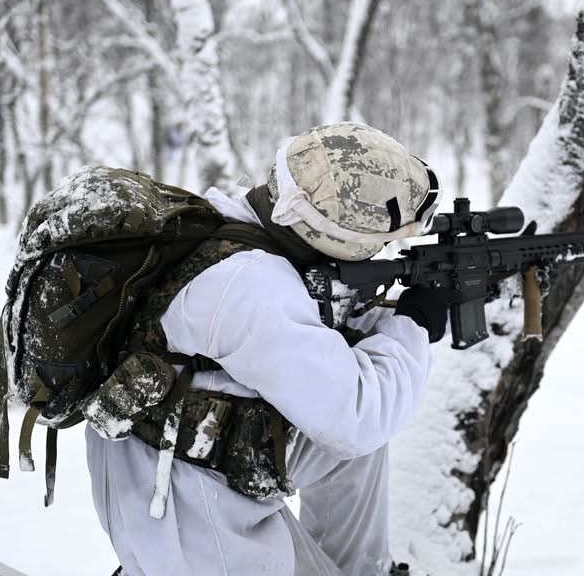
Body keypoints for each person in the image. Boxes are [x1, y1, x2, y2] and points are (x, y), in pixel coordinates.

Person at [84, 122, 448, 576]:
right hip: (187, 522)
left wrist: (378, 318)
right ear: (334, 239)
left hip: (186, 467)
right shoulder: (253, 286)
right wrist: (415, 324)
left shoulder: (228, 228)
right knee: (355, 429)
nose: (379, 257)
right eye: (373, 248)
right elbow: (359, 414)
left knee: (349, 452)